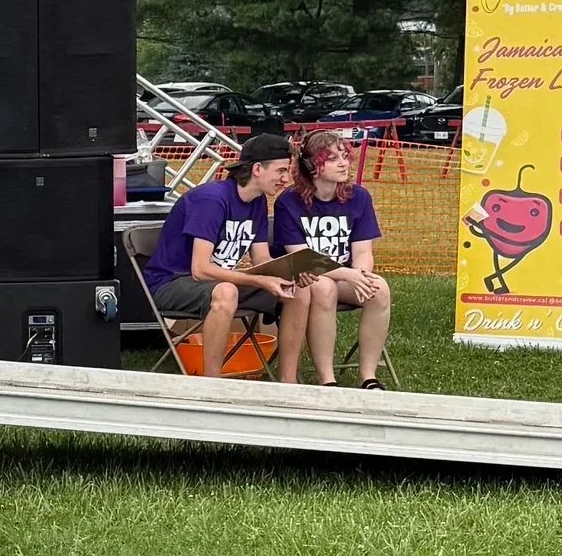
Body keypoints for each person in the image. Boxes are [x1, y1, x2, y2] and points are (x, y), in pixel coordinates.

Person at [140, 132, 303, 378]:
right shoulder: (212, 200)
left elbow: (262, 260)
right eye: (281, 170)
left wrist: (293, 270)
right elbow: (200, 269)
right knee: (227, 291)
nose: (286, 178)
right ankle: (212, 383)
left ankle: (288, 382)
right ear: (257, 169)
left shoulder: (257, 201)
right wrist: (259, 280)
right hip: (173, 281)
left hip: (217, 282)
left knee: (298, 289)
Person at [270, 130, 392, 387]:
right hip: (305, 274)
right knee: (323, 287)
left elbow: (362, 251)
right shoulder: (288, 202)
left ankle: (368, 376)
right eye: (332, 158)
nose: (343, 163)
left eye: (345, 156)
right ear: (311, 165)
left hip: (345, 275)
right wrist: (348, 274)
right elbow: (300, 255)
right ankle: (327, 379)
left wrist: (362, 276)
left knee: (378, 288)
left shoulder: (359, 197)